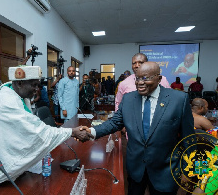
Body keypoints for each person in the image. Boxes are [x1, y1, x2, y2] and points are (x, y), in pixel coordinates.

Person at [0, 65, 93, 194]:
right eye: (34, 85)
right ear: (19, 83)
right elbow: (37, 132)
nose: (37, 89)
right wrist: (71, 132)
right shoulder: (7, 102)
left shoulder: (14, 92)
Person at [84, 62, 195, 194]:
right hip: (136, 169)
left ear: (159, 79)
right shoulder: (129, 98)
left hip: (165, 171)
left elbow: (189, 138)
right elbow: (114, 123)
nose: (140, 82)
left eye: (146, 78)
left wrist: (189, 170)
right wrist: (91, 131)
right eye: (138, 78)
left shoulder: (178, 99)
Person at [191, 96, 218, 195]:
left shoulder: (186, 116)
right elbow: (215, 135)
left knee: (200, 182)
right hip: (206, 156)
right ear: (201, 107)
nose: (207, 109)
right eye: (206, 107)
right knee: (204, 188)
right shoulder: (202, 120)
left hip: (194, 157)